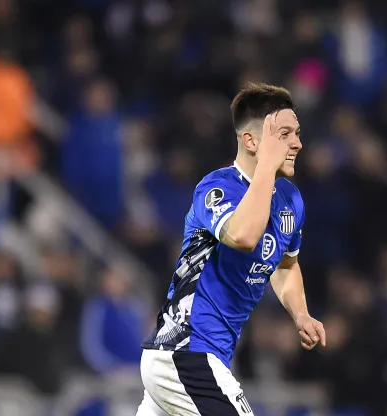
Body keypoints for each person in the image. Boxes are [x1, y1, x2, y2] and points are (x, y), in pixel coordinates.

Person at [136, 83, 326, 416]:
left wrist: (300, 314)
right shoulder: (216, 188)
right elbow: (242, 236)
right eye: (284, 134)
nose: (297, 143)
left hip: (204, 358)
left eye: (297, 133)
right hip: (185, 354)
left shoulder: (290, 201)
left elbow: (285, 265)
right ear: (253, 141)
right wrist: (267, 166)